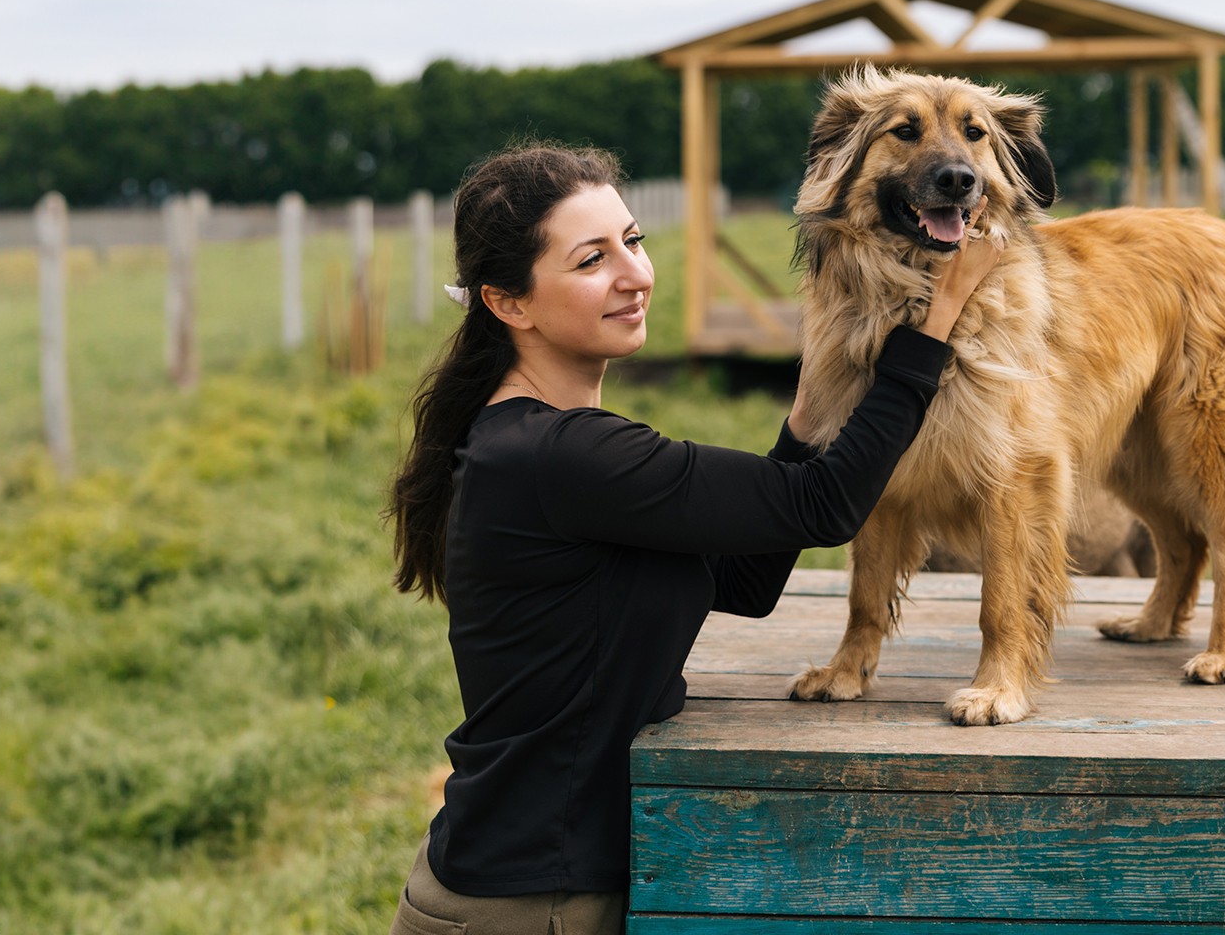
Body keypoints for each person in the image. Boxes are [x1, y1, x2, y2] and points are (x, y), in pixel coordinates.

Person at [384, 144, 1001, 935]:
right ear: (510, 303)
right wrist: (937, 320)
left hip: (535, 883)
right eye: (590, 261)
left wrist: (810, 414)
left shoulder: (541, 445)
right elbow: (825, 506)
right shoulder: (564, 457)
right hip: (522, 906)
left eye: (633, 242)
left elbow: (742, 584)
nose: (634, 274)